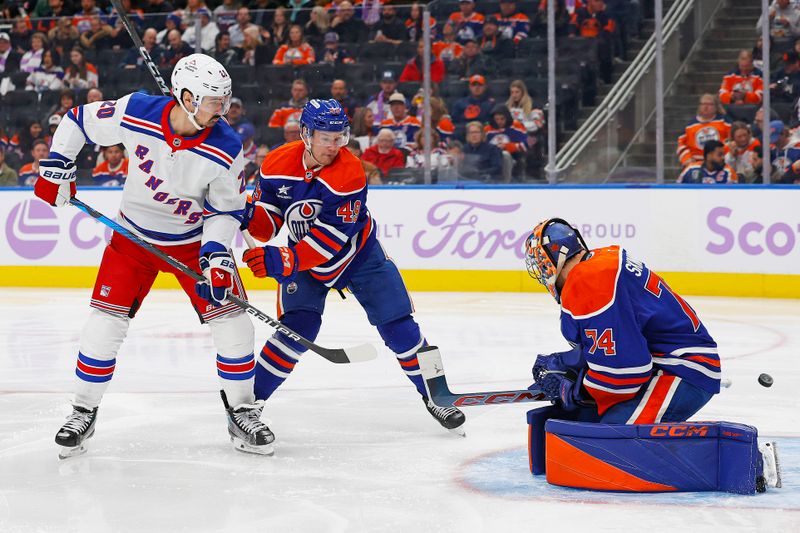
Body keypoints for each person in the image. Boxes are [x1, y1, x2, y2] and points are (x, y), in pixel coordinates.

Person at [34, 54, 274, 458]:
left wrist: (216, 257)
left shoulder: (227, 146)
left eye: (225, 99)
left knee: (233, 323)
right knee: (104, 324)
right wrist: (58, 165)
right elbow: (77, 120)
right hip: (133, 238)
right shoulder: (138, 110)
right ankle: (82, 411)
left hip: (193, 243)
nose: (224, 108)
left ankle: (242, 411)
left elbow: (226, 209)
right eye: (214, 100)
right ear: (186, 97)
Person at [240, 99, 466, 439]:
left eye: (340, 137)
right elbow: (267, 225)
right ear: (306, 134)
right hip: (305, 259)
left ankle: (436, 394)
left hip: (359, 257)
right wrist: (241, 211)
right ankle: (248, 406)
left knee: (399, 327)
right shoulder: (275, 163)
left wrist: (282, 261)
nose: (334, 146)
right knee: (297, 329)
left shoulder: (349, 172)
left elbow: (330, 241)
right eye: (326, 137)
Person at [524, 218, 721, 425]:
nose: (543, 273)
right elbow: (622, 343)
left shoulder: (588, 279)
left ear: (555, 258)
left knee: (605, 442)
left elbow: (622, 378)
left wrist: (576, 389)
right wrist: (569, 363)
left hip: (681, 369)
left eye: (541, 264)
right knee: (586, 422)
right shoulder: (598, 265)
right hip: (666, 363)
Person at [676, 94, 731, 167]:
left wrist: (722, 155)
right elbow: (681, 144)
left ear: (716, 107)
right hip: (696, 164)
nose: (706, 107)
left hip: (720, 162)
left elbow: (732, 140)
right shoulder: (690, 126)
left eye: (710, 104)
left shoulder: (724, 122)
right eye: (703, 104)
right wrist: (687, 159)